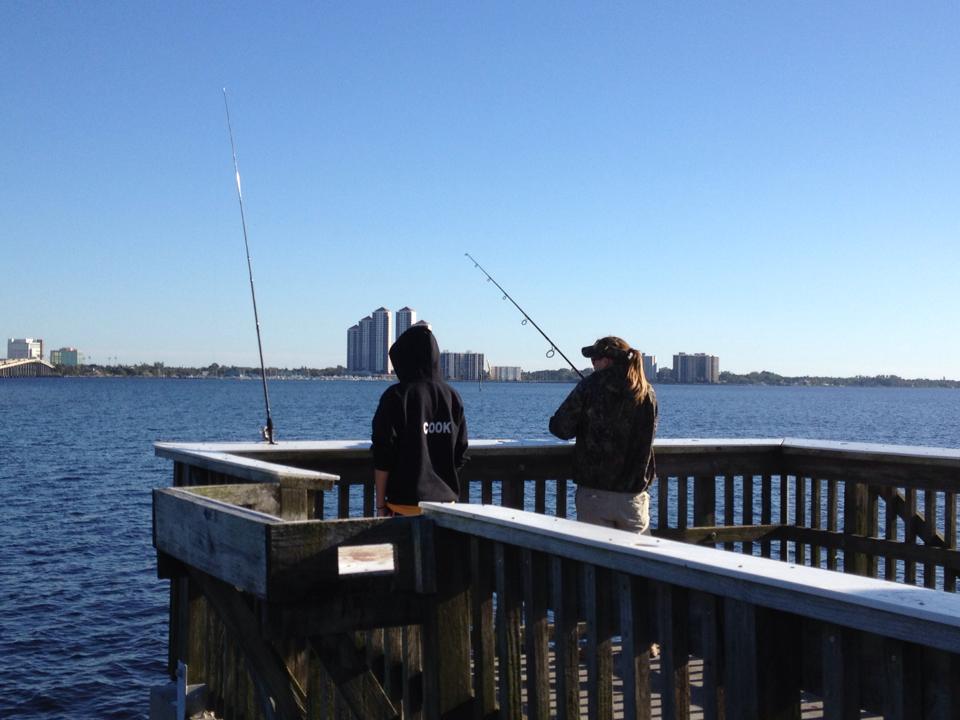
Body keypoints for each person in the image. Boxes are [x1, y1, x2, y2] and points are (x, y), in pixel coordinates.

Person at [549, 336, 658, 533]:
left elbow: (561, 428)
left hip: (595, 494)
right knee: (636, 559)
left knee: (598, 559)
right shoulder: (646, 391)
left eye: (594, 359)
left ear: (607, 360)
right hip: (633, 498)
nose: (592, 364)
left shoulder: (590, 386)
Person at [372, 324, 468, 517]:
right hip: (446, 508)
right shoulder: (452, 396)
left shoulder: (396, 396)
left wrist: (381, 505)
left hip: (403, 508)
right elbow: (461, 453)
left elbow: (383, 455)